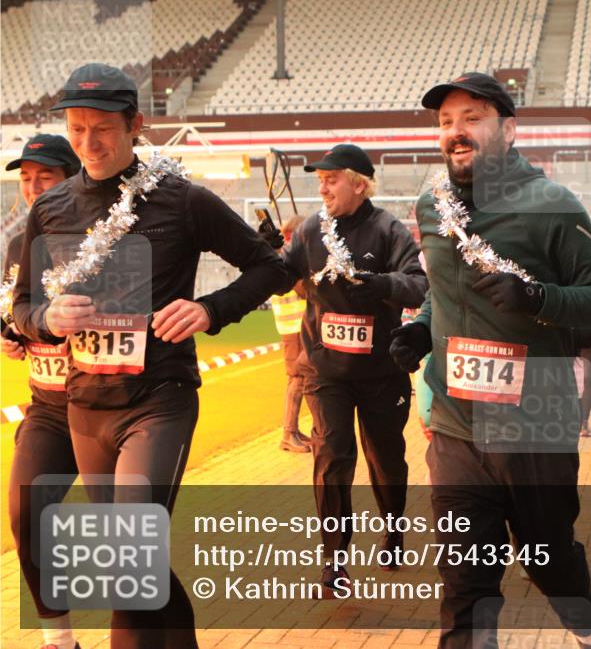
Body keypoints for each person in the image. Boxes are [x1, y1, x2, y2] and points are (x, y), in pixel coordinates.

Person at [12, 63, 287, 648]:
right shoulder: (50, 209)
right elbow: (23, 306)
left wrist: (211, 308)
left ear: (137, 125)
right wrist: (46, 320)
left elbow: (272, 267)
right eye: (77, 128)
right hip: (86, 404)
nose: (89, 142)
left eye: (104, 128)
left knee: (126, 552)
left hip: (159, 400)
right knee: (133, 566)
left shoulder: (182, 200)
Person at [389, 72, 591, 649]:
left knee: (548, 561)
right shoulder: (430, 204)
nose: (455, 131)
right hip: (455, 424)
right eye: (445, 122)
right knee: (465, 589)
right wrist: (421, 331)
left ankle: (587, 629)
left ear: (509, 129)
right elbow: (441, 293)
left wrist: (538, 298)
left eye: (471, 118)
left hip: (534, 422)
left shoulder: (552, 205)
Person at [273, 144, 427, 589]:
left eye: (332, 178)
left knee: (386, 458)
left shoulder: (387, 229)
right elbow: (280, 274)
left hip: (382, 372)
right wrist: (261, 253)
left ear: (359, 184)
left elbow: (418, 285)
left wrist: (379, 285)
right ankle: (334, 558)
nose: (322, 186)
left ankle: (394, 527)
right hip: (325, 372)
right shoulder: (309, 231)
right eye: (319, 179)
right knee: (333, 454)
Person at [2, 134, 82, 649]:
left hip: (110, 406)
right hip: (48, 404)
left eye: (44, 176)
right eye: (26, 178)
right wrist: (12, 333)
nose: (32, 187)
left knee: (129, 535)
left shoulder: (105, 232)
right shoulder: (16, 244)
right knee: (25, 512)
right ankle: (60, 641)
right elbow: (18, 309)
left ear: (71, 177)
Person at [271, 214, 312, 453]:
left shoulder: (282, 257)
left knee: (301, 378)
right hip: (294, 327)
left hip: (295, 327)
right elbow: (304, 291)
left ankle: (294, 431)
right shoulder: (288, 262)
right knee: (297, 379)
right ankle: (288, 433)